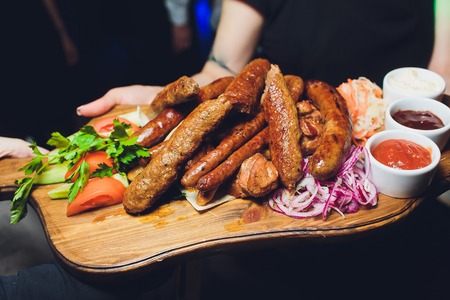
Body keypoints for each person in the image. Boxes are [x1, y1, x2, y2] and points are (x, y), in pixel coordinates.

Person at [76, 0, 450, 118]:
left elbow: (440, 86)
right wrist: (166, 95)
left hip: (399, 189)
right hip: (274, 212)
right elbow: (223, 68)